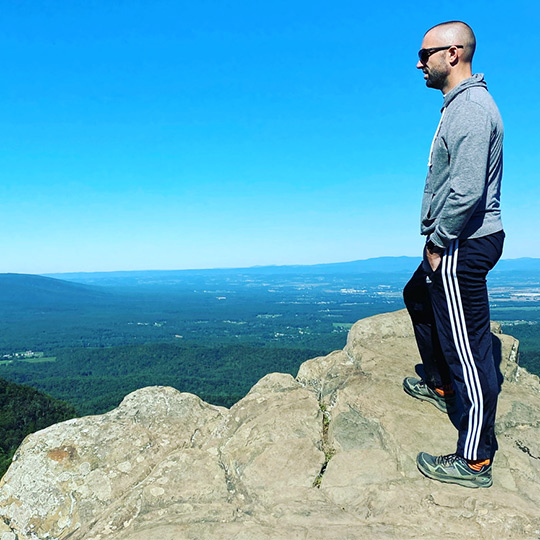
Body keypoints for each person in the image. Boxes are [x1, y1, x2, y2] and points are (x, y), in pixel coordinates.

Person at [403, 21, 504, 488]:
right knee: (417, 295)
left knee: (471, 351)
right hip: (462, 237)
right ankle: (441, 383)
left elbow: (466, 191)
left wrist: (438, 242)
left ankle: (474, 459)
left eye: (425, 54)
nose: (418, 63)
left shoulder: (470, 109)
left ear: (454, 53)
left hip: (462, 241)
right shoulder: (461, 106)